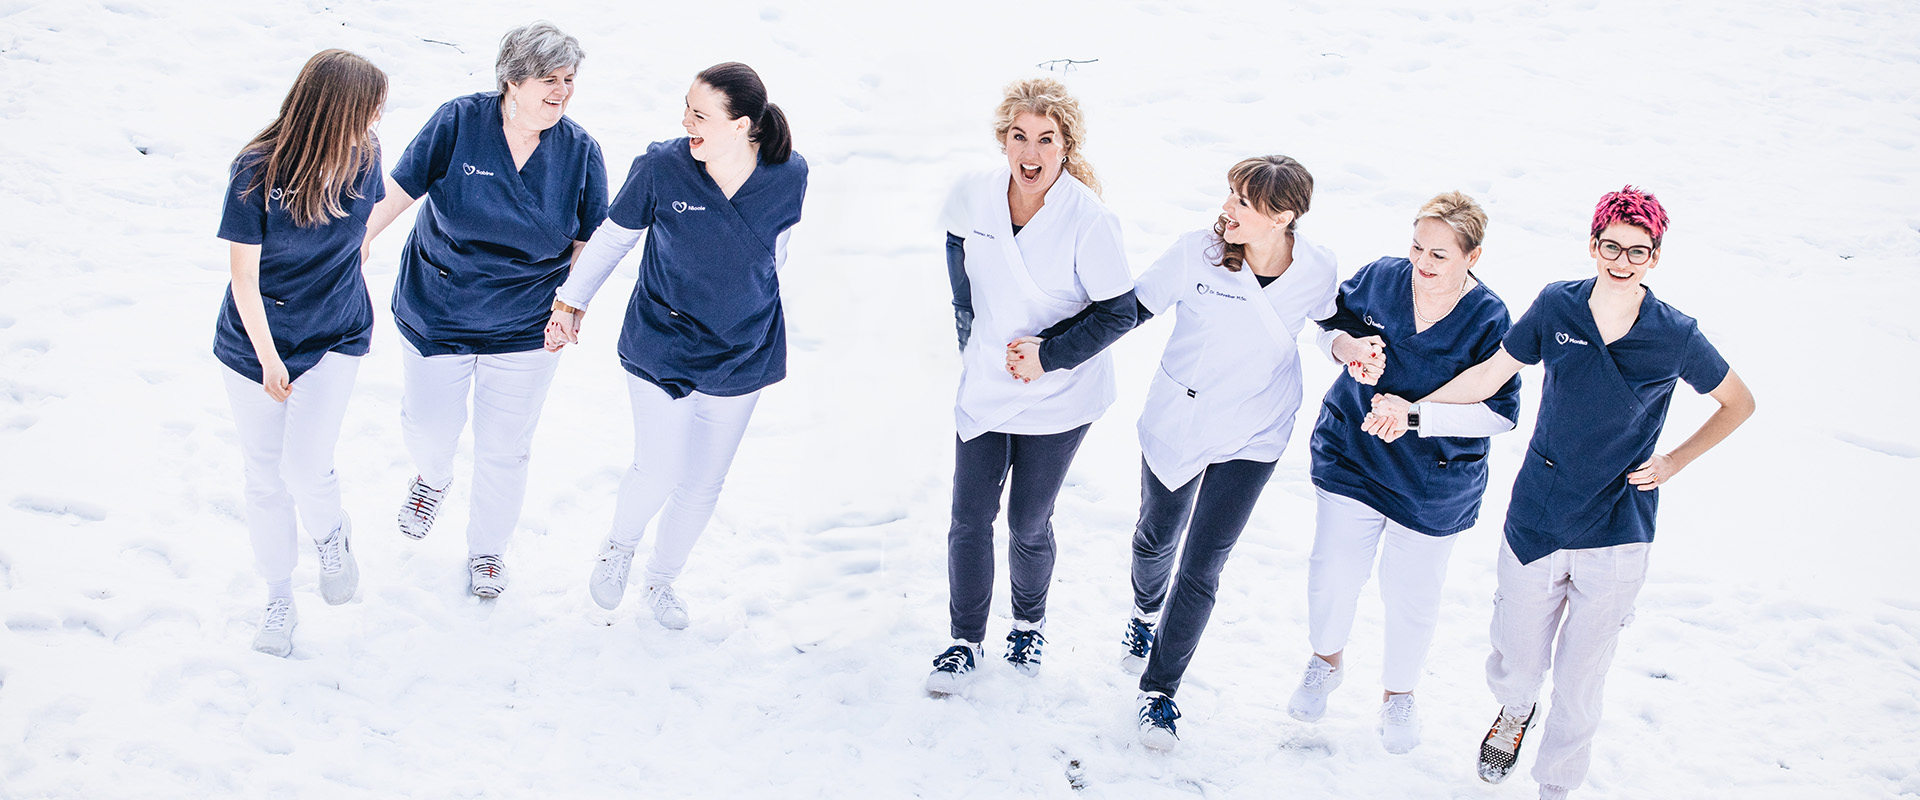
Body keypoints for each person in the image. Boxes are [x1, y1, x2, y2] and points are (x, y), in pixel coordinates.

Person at [1370, 187, 1755, 799]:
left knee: (1581, 679)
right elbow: (1490, 375)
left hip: (1619, 522)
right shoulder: (1558, 307)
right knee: (1517, 661)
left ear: (1655, 256)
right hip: (1539, 514)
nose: (1622, 260)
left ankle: (1557, 785)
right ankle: (1515, 711)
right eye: (1611, 245)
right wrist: (1414, 408)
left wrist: (1675, 461)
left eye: (1638, 249)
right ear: (1594, 244)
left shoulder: (1675, 334)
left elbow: (1738, 402)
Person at [1097, 156, 1339, 751]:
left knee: (1203, 565)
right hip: (1183, 417)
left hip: (1255, 431)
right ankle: (1143, 610)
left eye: (1243, 203)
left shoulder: (1316, 268)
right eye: (1230, 194)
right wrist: (1055, 355)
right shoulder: (1195, 253)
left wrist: (1345, 345)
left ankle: (1160, 691)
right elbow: (1129, 311)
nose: (1226, 209)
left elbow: (1331, 323)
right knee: (1157, 538)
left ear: (1282, 219)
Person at [362, 21, 608, 598]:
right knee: (429, 427)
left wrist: (571, 307)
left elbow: (587, 246)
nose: (562, 92)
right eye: (549, 79)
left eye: (568, 80)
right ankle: (432, 477)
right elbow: (397, 193)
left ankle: (489, 551)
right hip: (437, 307)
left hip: (525, 323)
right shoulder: (459, 122)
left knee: (506, 447)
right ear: (512, 79)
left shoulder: (580, 152)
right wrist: (356, 245)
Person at [556, 63, 806, 630]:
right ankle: (619, 546)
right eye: (685, 109)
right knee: (659, 468)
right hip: (662, 338)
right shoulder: (663, 167)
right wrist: (570, 302)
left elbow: (777, 253)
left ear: (742, 125)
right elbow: (614, 238)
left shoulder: (789, 173)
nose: (686, 122)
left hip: (744, 346)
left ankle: (662, 580)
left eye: (701, 114)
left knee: (703, 482)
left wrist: (746, 303)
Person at [1284, 192, 1522, 754]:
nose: (1422, 263)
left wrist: (1416, 416)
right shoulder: (1382, 280)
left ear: (1473, 257)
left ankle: (1399, 696)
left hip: (1433, 482)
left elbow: (1499, 414)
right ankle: (1325, 660)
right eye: (1417, 246)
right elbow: (1325, 323)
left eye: (1440, 254)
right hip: (1355, 452)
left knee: (1411, 594)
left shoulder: (1489, 318)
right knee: (1333, 569)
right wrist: (1345, 348)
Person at [923, 77, 1136, 695]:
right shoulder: (976, 194)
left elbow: (1118, 310)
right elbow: (956, 242)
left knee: (1027, 521)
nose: (1031, 151)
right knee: (968, 518)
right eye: (1019, 136)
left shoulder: (1089, 220)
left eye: (1047, 138)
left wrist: (1051, 355)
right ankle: (964, 639)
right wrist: (969, 325)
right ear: (1003, 141)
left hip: (1059, 394)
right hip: (989, 383)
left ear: (1067, 146)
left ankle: (1028, 623)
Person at [214, 49, 388, 656]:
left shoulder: (366, 155)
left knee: (305, 465)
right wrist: (267, 359)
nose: (374, 123)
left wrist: (348, 267)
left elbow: (357, 234)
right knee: (264, 478)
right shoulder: (256, 169)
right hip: (256, 341)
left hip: (336, 333)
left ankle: (332, 535)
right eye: (366, 111)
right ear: (334, 111)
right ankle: (278, 599)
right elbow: (243, 277)